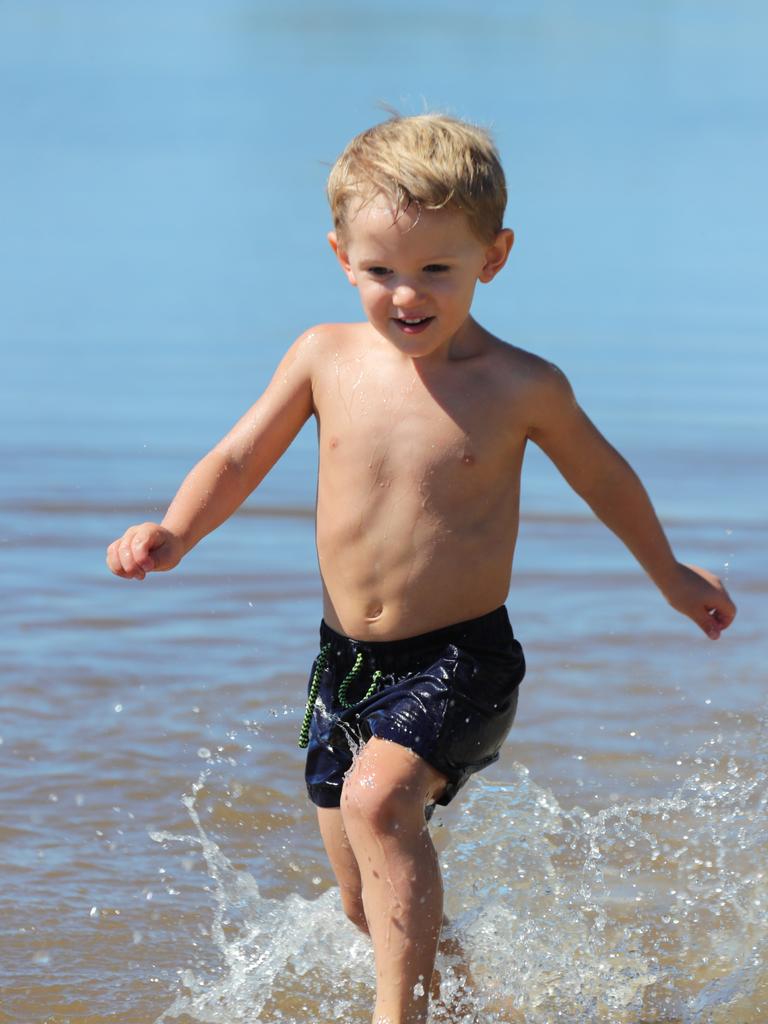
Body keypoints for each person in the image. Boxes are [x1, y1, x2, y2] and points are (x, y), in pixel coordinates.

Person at [106, 113, 736, 1024]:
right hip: (343, 665)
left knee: (378, 804)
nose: (407, 294)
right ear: (340, 256)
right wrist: (175, 530)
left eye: (437, 269)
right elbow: (239, 457)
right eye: (380, 270)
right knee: (368, 899)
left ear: (495, 256)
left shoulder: (522, 386)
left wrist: (671, 576)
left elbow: (603, 476)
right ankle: (470, 1002)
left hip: (464, 657)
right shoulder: (324, 358)